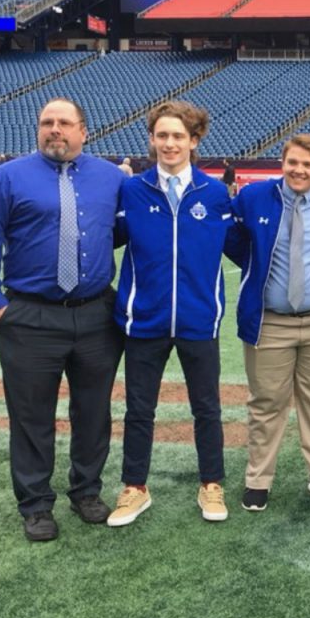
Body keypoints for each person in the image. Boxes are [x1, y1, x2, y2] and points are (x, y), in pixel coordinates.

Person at [0, 97, 124, 542]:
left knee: (93, 411)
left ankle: (86, 490)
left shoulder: (111, 178)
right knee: (31, 415)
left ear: (84, 130)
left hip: (96, 314)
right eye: (46, 123)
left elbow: (125, 232)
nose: (54, 130)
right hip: (30, 316)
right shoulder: (7, 177)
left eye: (64, 123)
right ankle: (35, 503)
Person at [107, 100, 237, 528]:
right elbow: (107, 241)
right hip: (145, 320)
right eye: (161, 135)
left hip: (199, 321)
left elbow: (242, 249)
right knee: (139, 409)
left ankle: (211, 483)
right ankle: (134, 488)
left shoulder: (215, 194)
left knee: (207, 408)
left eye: (178, 136)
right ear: (151, 139)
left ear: (194, 141)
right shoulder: (132, 190)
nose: (169, 143)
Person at [232, 133, 310, 510]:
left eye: (308, 164)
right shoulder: (253, 198)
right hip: (270, 321)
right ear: (282, 163)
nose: (299, 170)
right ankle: (258, 479)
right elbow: (233, 242)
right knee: (267, 402)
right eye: (293, 162)